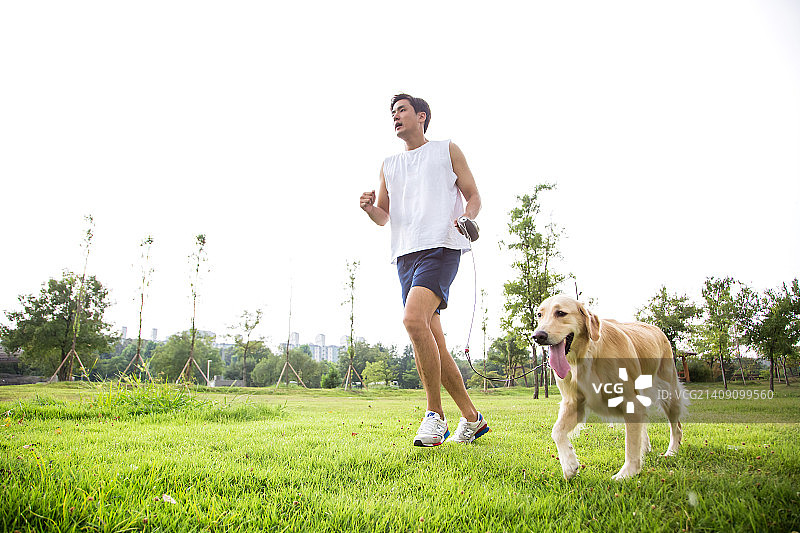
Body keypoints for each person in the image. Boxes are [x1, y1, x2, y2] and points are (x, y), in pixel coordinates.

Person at [359, 93, 490, 446]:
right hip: (405, 256)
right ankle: (473, 420)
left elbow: (474, 196)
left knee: (413, 321)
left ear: (421, 116)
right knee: (433, 342)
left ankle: (435, 416)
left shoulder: (447, 149)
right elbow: (384, 216)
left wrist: (468, 217)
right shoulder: (389, 165)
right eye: (392, 112)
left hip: (442, 246)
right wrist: (370, 209)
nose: (395, 116)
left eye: (401, 110)